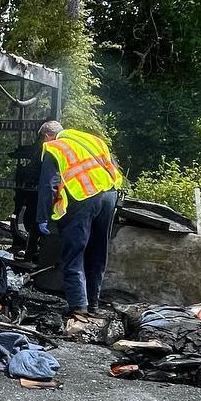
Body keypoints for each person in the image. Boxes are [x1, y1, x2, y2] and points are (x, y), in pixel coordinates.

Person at [36, 120, 123, 322]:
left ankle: (79, 307)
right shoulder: (93, 139)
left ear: (47, 136)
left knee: (74, 252)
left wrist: (42, 217)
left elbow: (48, 185)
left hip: (83, 197)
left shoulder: (54, 147)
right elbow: (112, 166)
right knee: (98, 251)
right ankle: (93, 303)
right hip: (109, 195)